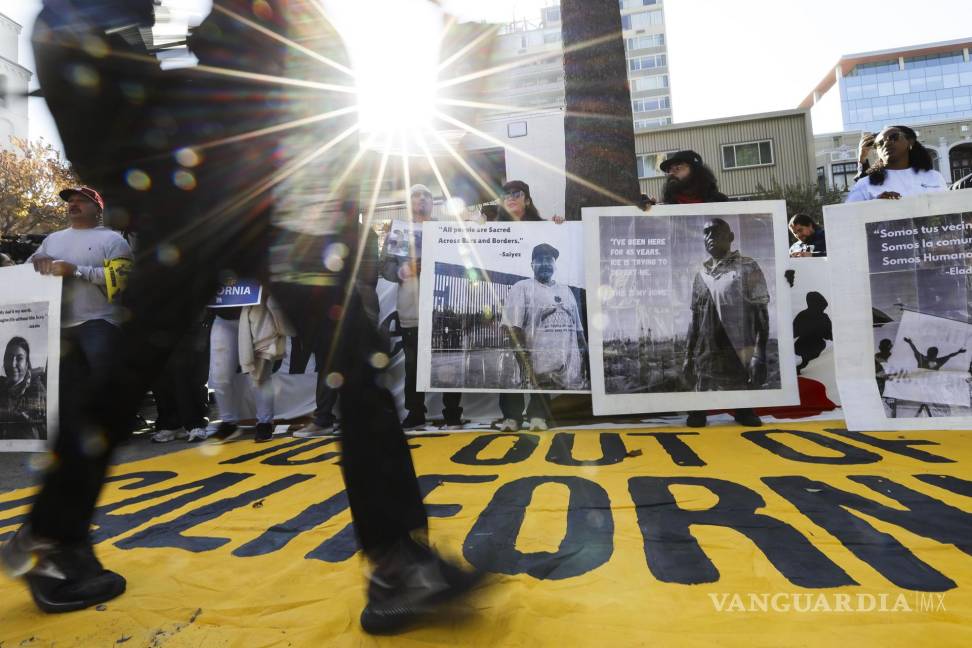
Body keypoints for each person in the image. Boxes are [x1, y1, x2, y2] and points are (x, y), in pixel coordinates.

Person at [2, 1, 480, 633]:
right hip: (243, 163)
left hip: (214, 162)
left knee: (137, 361)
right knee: (349, 355)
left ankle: (51, 536)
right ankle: (397, 560)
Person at [27, 186, 133, 440]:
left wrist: (75, 270)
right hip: (59, 325)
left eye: (81, 201)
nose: (73, 204)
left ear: (98, 209)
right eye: (70, 201)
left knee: (103, 379)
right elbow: (29, 270)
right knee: (65, 384)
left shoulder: (112, 240)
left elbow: (121, 280)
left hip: (100, 321)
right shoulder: (52, 240)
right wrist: (37, 259)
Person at [380, 184, 463, 430]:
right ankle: (415, 413)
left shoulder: (446, 229)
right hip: (411, 310)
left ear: (432, 202)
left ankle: (452, 414)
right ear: (409, 202)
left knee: (448, 362)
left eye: (426, 195)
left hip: (445, 307)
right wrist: (402, 271)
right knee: (413, 365)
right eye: (416, 195)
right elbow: (385, 267)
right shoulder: (400, 230)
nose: (422, 199)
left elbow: (464, 260)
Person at [490, 180, 567, 431]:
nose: (511, 198)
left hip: (539, 301)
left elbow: (564, 240)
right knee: (513, 361)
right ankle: (511, 416)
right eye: (505, 195)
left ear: (527, 200)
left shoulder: (544, 228)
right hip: (511, 299)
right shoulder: (491, 231)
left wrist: (560, 226)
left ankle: (538, 415)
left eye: (516, 193)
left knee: (541, 359)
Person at [683, 219, 769, 428]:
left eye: (716, 232)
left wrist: (760, 354)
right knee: (696, 416)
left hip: (738, 353)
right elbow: (695, 319)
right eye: (706, 233)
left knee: (744, 405)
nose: (710, 237)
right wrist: (688, 355)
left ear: (730, 237)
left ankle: (743, 410)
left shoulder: (748, 266)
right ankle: (699, 411)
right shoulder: (699, 275)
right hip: (705, 356)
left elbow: (761, 313)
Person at [502, 243, 588, 418]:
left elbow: (578, 330)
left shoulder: (566, 291)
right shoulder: (522, 287)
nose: (545, 264)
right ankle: (512, 418)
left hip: (559, 364)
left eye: (549, 260)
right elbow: (513, 327)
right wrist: (524, 358)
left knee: (541, 409)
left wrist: (585, 356)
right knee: (515, 385)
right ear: (532, 264)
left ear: (554, 265)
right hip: (532, 358)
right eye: (540, 260)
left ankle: (538, 418)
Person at [846, 126, 948, 202]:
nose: (886, 143)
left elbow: (949, 210)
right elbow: (848, 218)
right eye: (880, 143)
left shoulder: (934, 177)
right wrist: (876, 206)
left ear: (910, 142)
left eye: (893, 137)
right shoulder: (864, 184)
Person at [0, 337, 47, 440]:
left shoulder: (36, 393)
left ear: (26, 363)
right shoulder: (2, 384)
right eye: (9, 357)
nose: (12, 364)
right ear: (4, 361)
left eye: (19, 358)